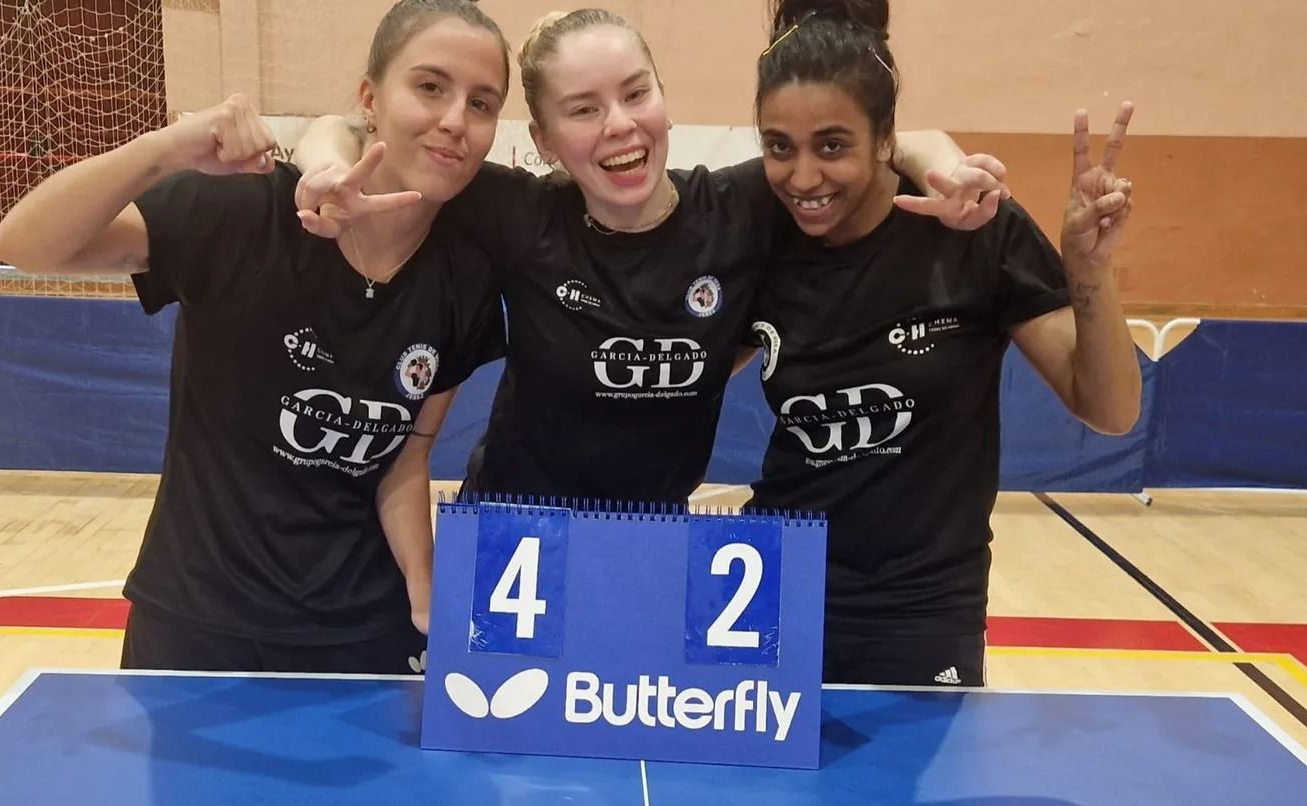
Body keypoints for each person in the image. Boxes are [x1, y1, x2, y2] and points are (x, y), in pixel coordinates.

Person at [293, 7, 1010, 505]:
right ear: (543, 142)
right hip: (512, 532)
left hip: (650, 540)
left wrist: (936, 158)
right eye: (582, 109)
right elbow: (351, 131)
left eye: (636, 94)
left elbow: (869, 137)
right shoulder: (516, 212)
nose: (620, 126)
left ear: (663, 99)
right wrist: (319, 161)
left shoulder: (746, 207)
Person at [0, 0, 512, 671]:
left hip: (362, 630)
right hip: (198, 624)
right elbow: (24, 243)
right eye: (431, 87)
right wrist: (164, 149)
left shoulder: (464, 278)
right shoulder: (245, 214)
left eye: (482, 103)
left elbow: (404, 459)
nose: (454, 120)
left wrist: (423, 590)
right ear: (370, 98)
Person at [745, 0, 1143, 687]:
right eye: (780, 147)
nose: (803, 177)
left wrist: (1089, 267)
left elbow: (1108, 409)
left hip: (922, 611)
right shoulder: (753, 227)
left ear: (885, 138)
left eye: (832, 146)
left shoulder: (975, 231)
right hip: (769, 585)